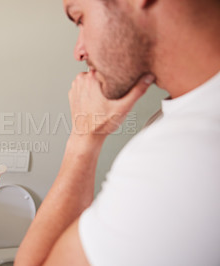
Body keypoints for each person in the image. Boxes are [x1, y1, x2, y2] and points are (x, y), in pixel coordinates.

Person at [16, 0, 220, 265]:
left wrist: (84, 138)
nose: (79, 51)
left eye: (80, 19)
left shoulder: (182, 153)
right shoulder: (175, 122)